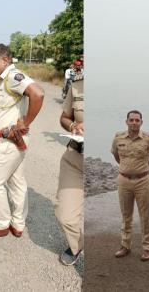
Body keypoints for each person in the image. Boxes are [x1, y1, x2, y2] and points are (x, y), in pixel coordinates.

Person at [0, 44, 44, 240]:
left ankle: (1, 224)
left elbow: (38, 93)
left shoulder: (13, 77)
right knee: (16, 182)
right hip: (12, 141)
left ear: (4, 60)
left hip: (9, 141)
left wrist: (25, 122)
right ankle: (18, 223)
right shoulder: (1, 80)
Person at [111, 110, 149, 261]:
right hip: (124, 180)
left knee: (145, 216)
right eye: (131, 120)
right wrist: (126, 169)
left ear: (141, 123)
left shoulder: (147, 139)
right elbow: (116, 155)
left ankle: (146, 248)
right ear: (126, 122)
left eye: (137, 120)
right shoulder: (118, 138)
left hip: (142, 181)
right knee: (126, 215)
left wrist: (142, 169)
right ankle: (125, 245)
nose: (134, 123)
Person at [55, 69, 84, 266]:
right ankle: (78, 245)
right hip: (76, 158)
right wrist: (74, 126)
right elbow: (64, 117)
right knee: (64, 216)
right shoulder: (78, 85)